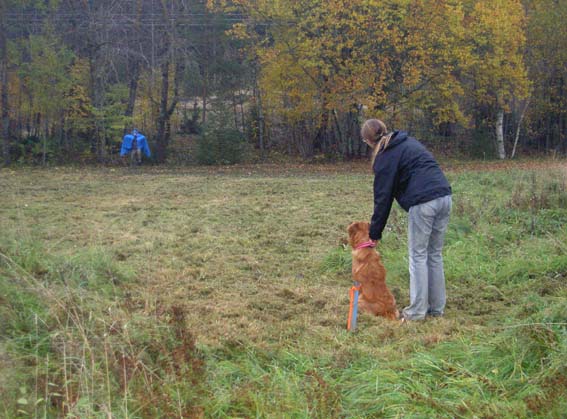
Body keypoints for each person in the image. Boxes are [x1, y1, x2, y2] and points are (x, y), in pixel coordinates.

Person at [361, 119, 452, 322]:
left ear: (367, 141)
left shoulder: (385, 157)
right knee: (434, 254)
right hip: (445, 196)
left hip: (424, 202)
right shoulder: (407, 142)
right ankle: (437, 308)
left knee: (418, 256)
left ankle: (416, 312)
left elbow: (383, 198)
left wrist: (374, 234)